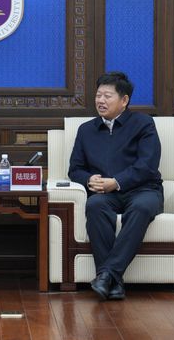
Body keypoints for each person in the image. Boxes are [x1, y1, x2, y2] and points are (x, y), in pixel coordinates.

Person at [68, 71, 163, 300]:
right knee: (95, 206)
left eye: (107, 96)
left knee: (141, 208)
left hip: (143, 190)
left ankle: (107, 275)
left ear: (124, 100)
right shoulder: (86, 130)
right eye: (98, 95)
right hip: (105, 194)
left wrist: (117, 182)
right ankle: (113, 282)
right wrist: (88, 180)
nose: (100, 100)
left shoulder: (143, 124)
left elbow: (148, 166)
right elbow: (75, 169)